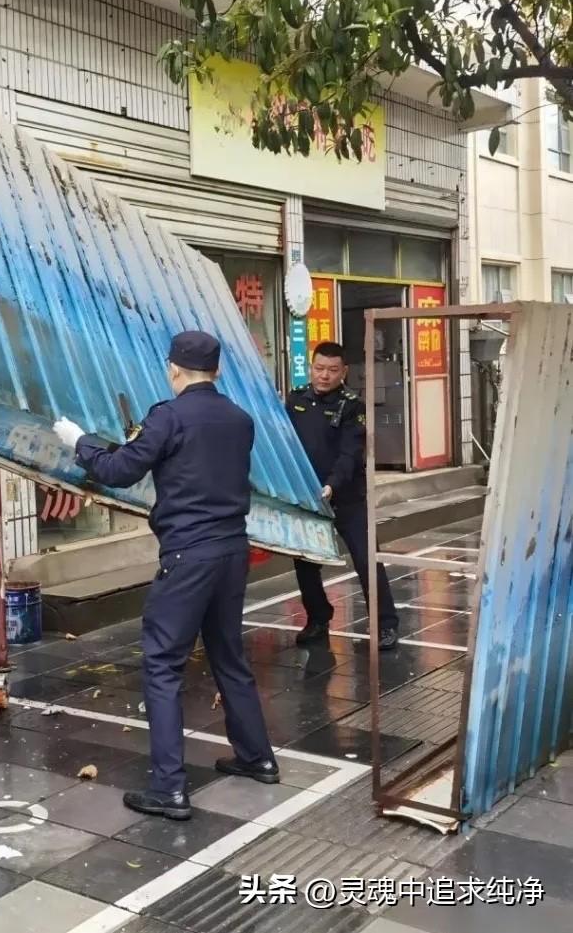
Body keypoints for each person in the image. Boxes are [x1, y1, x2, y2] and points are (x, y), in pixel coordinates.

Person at [54, 331, 278, 822]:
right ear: (218, 371)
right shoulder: (239, 419)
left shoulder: (168, 416)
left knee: (162, 664)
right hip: (232, 550)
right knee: (228, 655)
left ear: (172, 369)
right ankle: (257, 757)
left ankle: (169, 788)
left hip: (188, 555)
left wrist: (80, 441)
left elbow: (120, 470)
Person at [286, 341, 399, 651]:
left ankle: (386, 624)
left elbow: (350, 454)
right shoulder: (296, 400)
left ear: (344, 371)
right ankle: (318, 619)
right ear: (311, 368)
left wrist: (332, 485)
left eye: (332, 370)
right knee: (306, 562)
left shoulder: (352, 406)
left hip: (346, 496)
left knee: (366, 559)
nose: (325, 376)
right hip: (309, 498)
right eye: (319, 368)